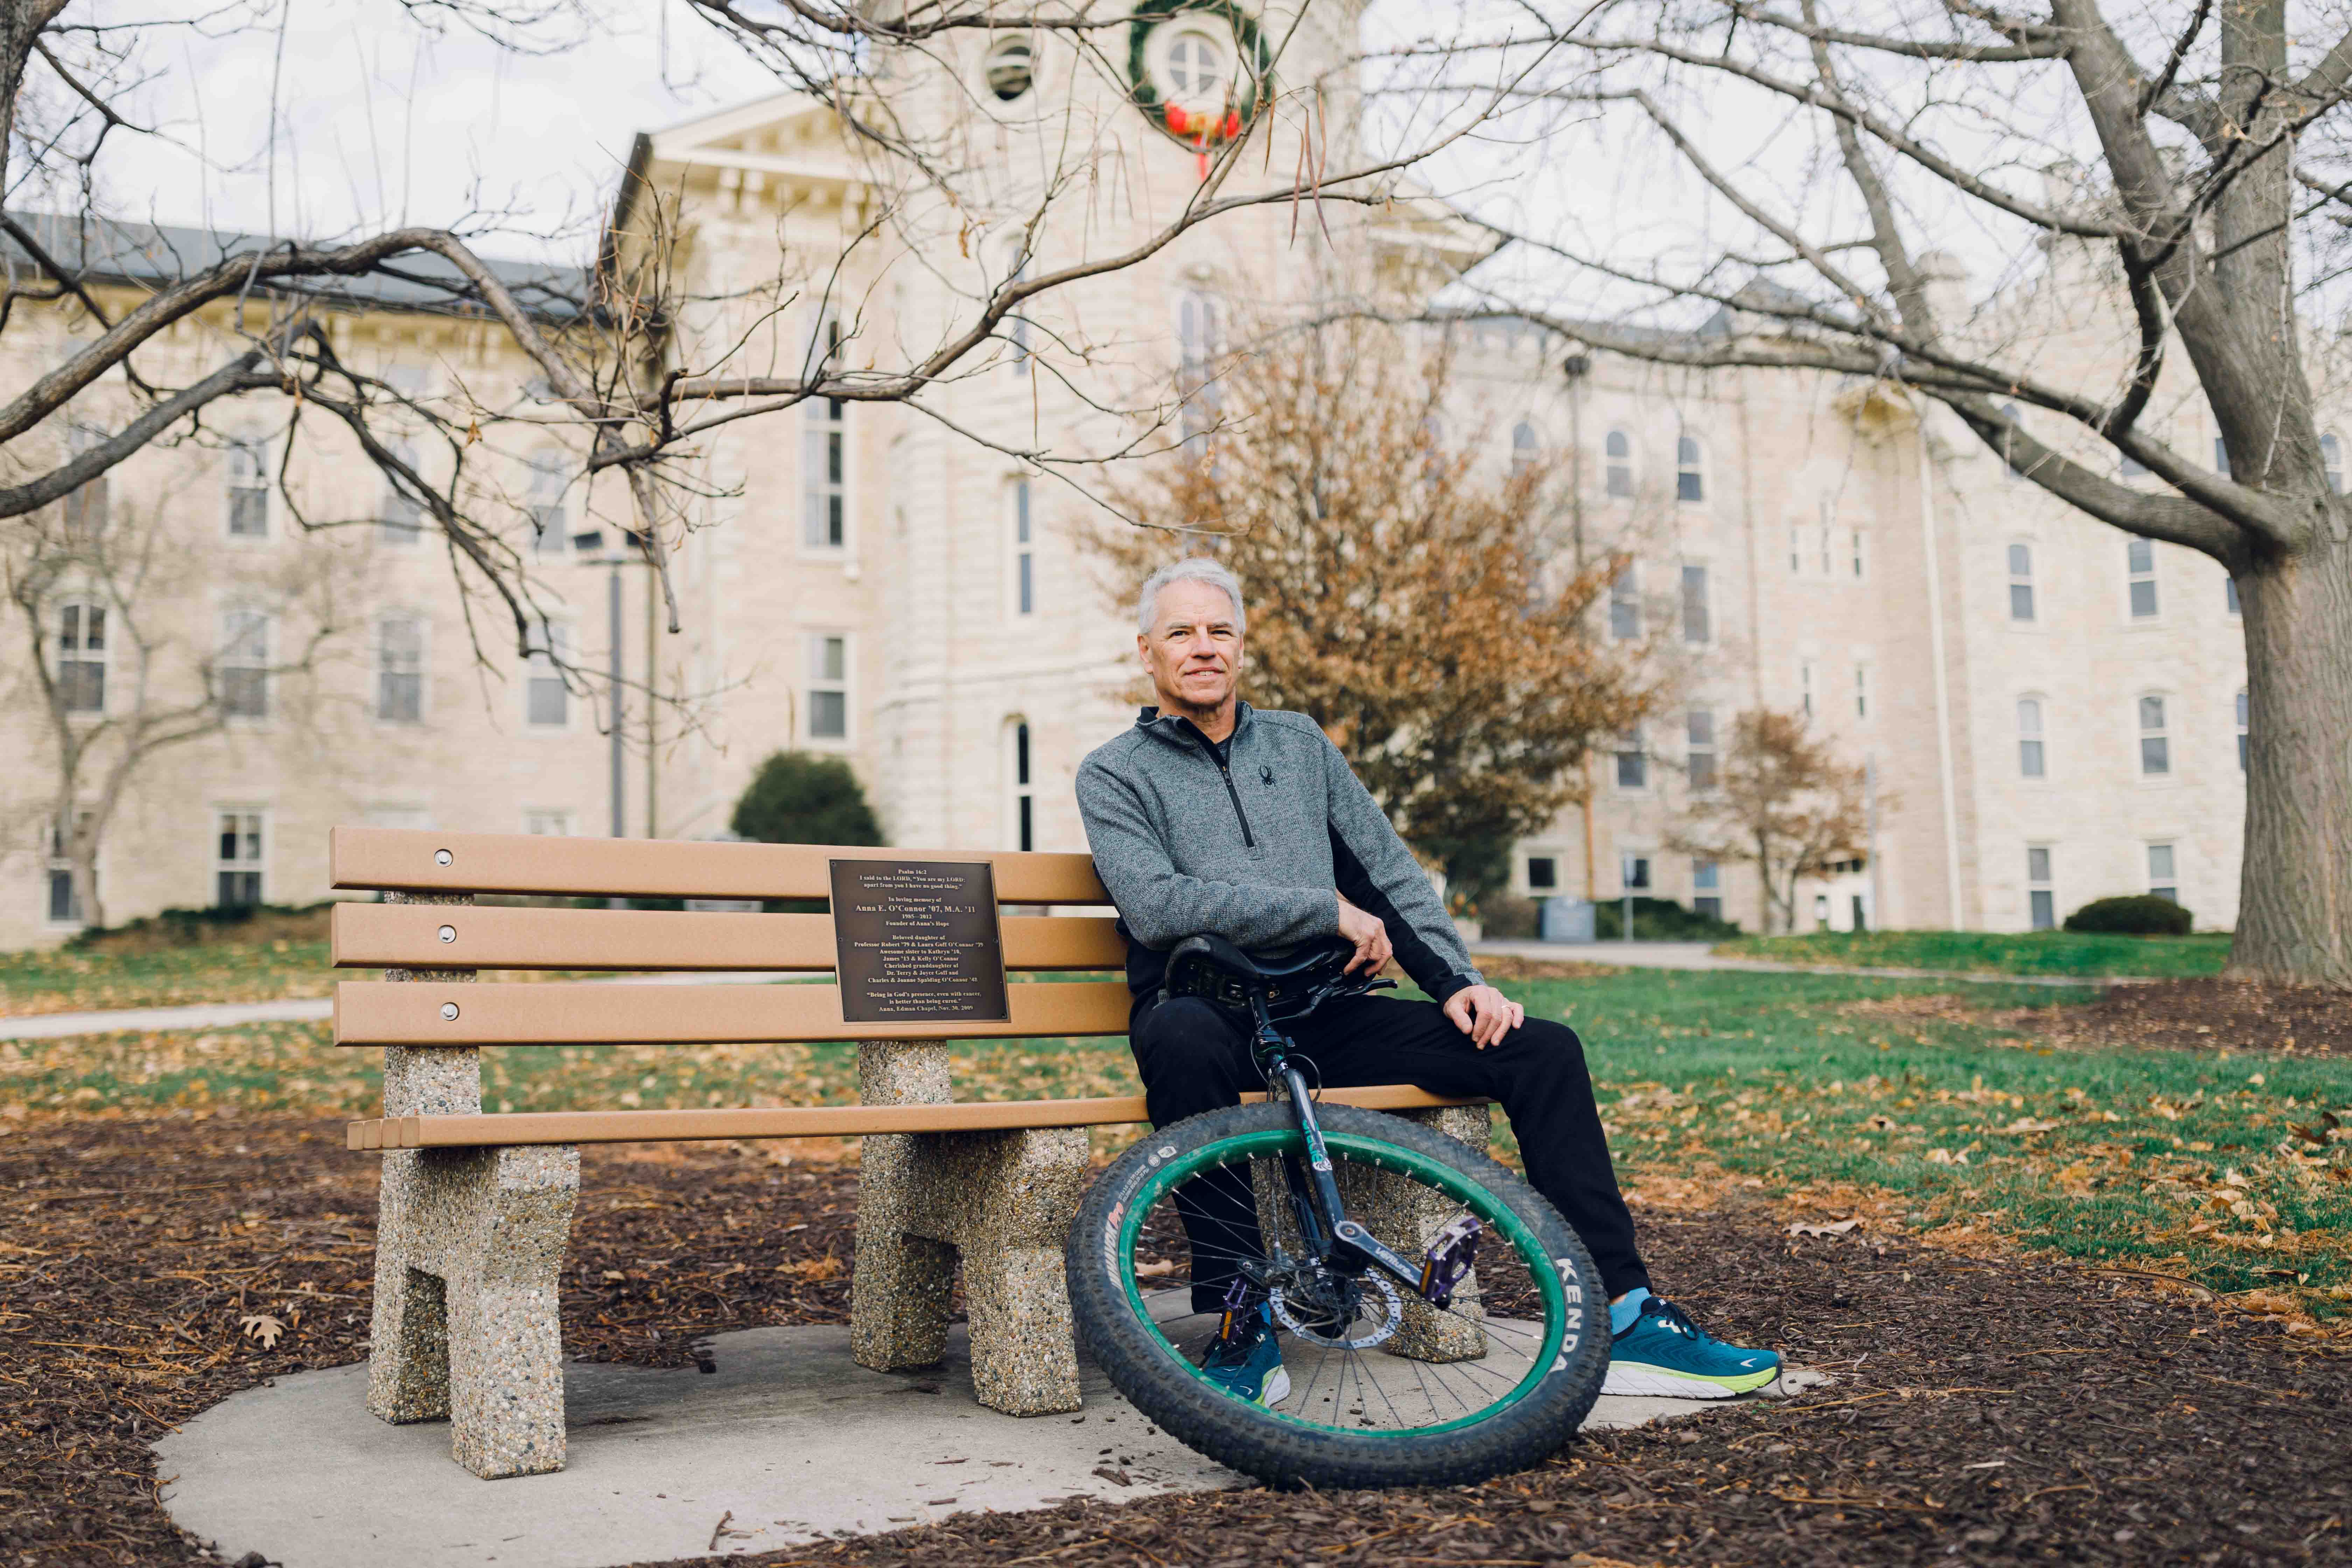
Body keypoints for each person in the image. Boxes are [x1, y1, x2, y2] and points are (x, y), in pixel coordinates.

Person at [1075, 556, 1779, 1408]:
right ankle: (1241, 1318)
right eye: (1182, 632)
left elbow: (1387, 873)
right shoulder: (1114, 771)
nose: (1203, 648)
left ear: (1242, 646)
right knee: (1180, 1037)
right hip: (1206, 1012)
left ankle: (1625, 1314)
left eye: (1220, 631)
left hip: (1324, 1011)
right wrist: (1321, 910)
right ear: (1147, 651)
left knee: (1539, 1049)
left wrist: (1456, 980)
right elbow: (1157, 905)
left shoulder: (1297, 744)